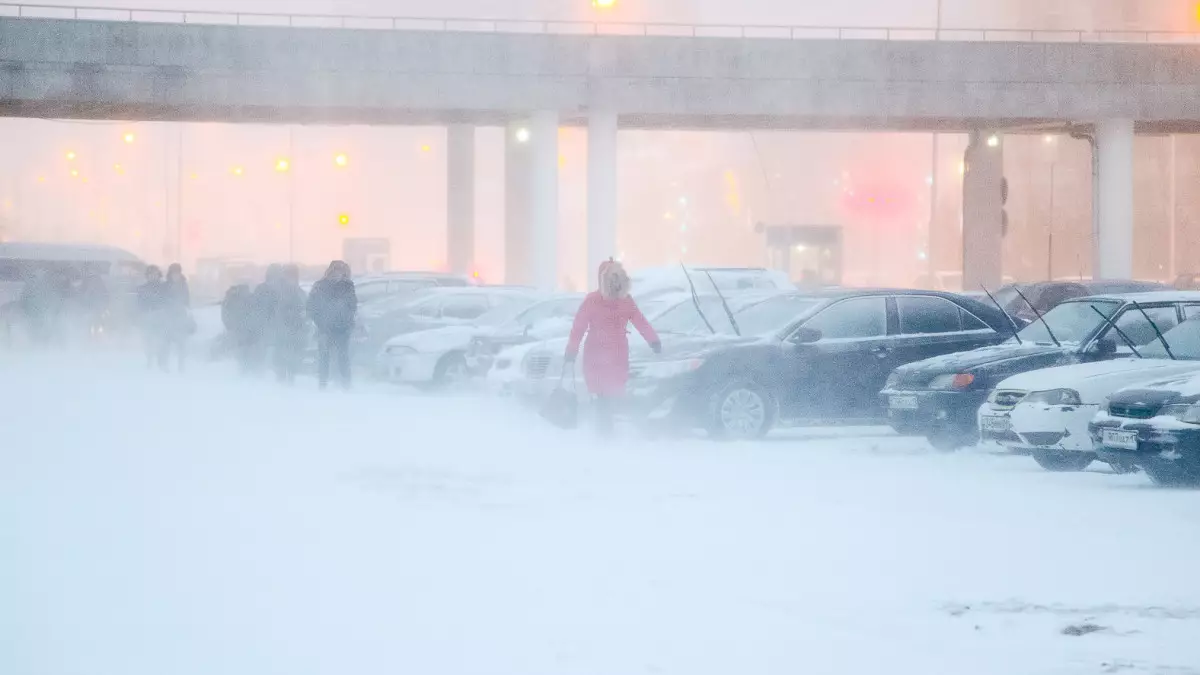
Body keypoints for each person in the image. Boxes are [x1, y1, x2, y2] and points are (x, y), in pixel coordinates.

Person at [564, 260, 661, 435]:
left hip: (607, 354)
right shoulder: (609, 300)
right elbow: (640, 321)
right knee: (605, 395)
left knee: (607, 395)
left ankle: (605, 431)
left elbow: (578, 328)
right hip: (606, 354)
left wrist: (571, 351)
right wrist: (653, 341)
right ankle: (605, 431)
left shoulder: (604, 300)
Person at [306, 260, 357, 390]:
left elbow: (352, 306)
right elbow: (311, 307)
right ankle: (323, 384)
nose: (337, 274)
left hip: (342, 328)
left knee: (342, 357)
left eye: (340, 271)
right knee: (325, 356)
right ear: (330, 271)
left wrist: (348, 321)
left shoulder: (348, 286)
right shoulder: (320, 286)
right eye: (335, 271)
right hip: (325, 328)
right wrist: (320, 322)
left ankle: (346, 384)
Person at [272, 264, 309, 384]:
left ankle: (290, 376)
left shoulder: (299, 292)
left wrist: (303, 317)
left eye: (293, 276)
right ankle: (282, 378)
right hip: (284, 329)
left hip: (295, 329)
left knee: (293, 356)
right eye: (289, 275)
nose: (291, 279)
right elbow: (276, 310)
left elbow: (306, 308)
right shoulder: (279, 292)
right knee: (283, 356)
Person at [159, 263, 192, 372]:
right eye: (174, 273)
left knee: (181, 343)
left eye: (177, 273)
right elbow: (161, 300)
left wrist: (186, 309)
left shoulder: (184, 285)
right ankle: (165, 366)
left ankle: (181, 366)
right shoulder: (165, 286)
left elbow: (187, 300)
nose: (176, 275)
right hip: (168, 317)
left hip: (180, 317)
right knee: (166, 343)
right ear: (170, 274)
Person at [136, 265, 167, 368]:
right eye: (150, 274)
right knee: (147, 340)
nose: (153, 276)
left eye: (155, 274)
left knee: (161, 340)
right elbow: (138, 304)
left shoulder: (164, 288)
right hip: (147, 317)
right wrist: (139, 317)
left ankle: (161, 361)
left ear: (158, 275)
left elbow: (168, 302)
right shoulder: (142, 288)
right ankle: (149, 360)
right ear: (147, 276)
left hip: (160, 316)